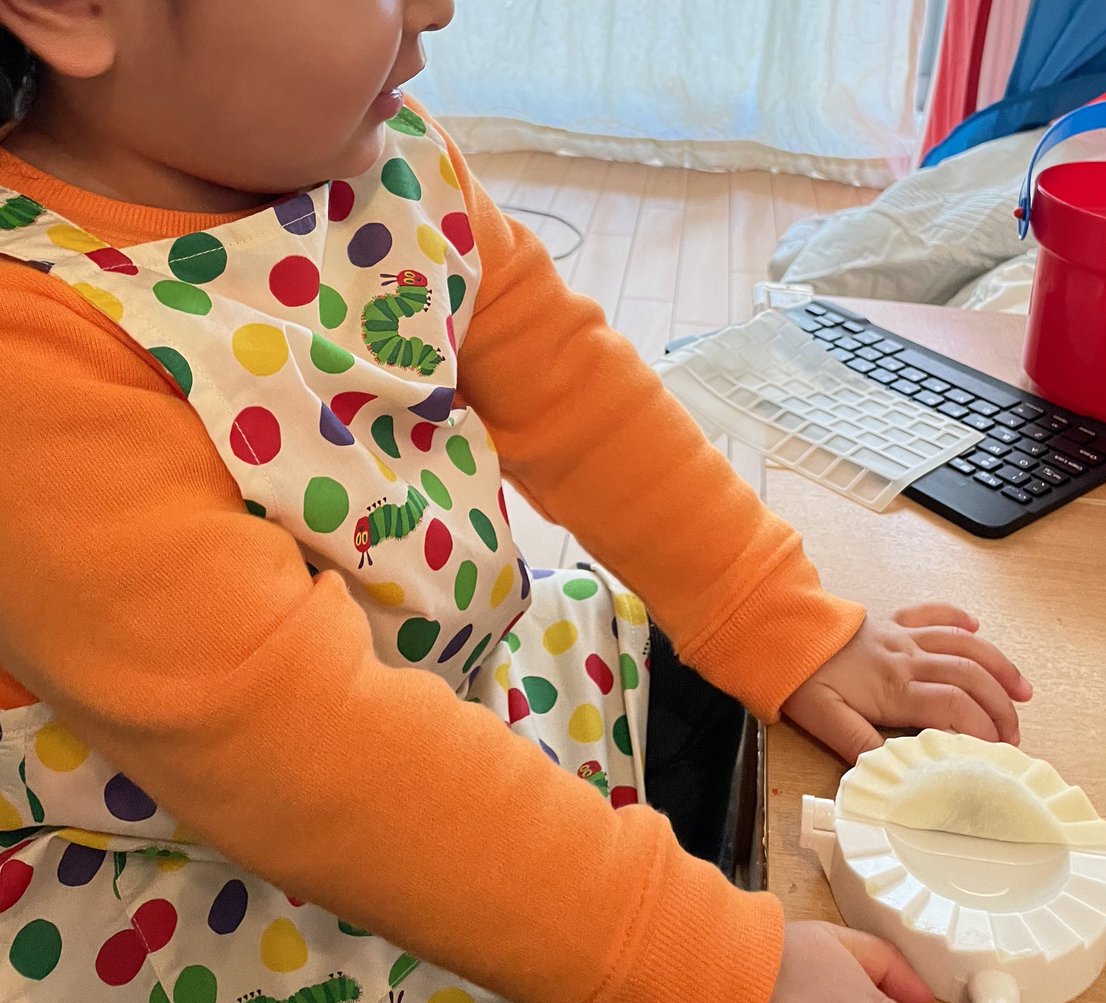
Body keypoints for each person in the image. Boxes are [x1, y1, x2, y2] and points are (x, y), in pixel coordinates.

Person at [0, 2, 1032, 1001]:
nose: (440, 10)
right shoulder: (30, 366)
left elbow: (578, 394)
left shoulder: (390, 159)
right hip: (194, 881)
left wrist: (777, 617)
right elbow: (319, 757)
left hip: (454, 693)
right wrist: (719, 959)